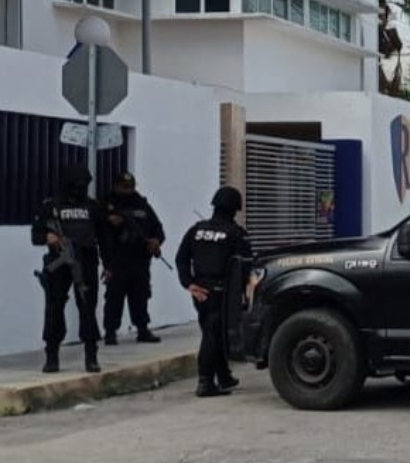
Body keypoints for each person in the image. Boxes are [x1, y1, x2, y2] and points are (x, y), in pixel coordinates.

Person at [31, 165, 111, 373]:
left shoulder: (93, 207)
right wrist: (48, 237)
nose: (82, 188)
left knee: (88, 309)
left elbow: (104, 238)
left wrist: (109, 265)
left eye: (85, 185)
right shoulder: (50, 206)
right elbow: (36, 235)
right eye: (78, 185)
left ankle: (91, 356)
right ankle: (52, 355)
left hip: (86, 261)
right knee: (54, 308)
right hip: (59, 263)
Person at [174, 186, 253, 397]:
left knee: (213, 334)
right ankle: (205, 382)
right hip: (222, 293)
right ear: (235, 208)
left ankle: (224, 376)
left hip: (200, 292)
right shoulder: (236, 234)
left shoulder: (196, 229)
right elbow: (246, 267)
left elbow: (181, 258)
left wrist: (189, 283)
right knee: (212, 336)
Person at [100, 172, 165, 345]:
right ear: (116, 186)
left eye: (131, 187)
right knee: (114, 297)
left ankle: (142, 329)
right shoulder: (107, 203)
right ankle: (110, 332)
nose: (128, 191)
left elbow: (158, 228)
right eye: (124, 187)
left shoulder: (142, 204)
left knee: (141, 295)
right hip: (117, 259)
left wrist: (156, 241)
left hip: (140, 259)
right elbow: (101, 234)